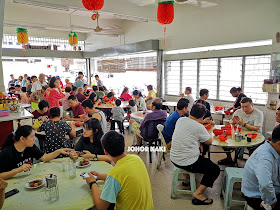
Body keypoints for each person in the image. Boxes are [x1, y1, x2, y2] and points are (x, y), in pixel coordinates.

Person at [82, 131, 153, 210]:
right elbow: (122, 178)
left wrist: (92, 183)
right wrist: (100, 176)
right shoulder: (136, 158)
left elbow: (101, 206)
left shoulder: (115, 175)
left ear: (105, 152)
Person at [170, 104, 220, 205]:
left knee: (199, 152)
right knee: (214, 169)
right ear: (202, 116)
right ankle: (198, 193)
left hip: (174, 157)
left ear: (190, 112)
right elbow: (209, 141)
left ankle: (187, 180)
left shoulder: (181, 120)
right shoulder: (199, 127)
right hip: (186, 162)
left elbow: (190, 129)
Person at [0, 125, 73, 179]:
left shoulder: (30, 147)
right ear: (22, 139)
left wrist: (59, 151)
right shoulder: (6, 152)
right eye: (31, 137)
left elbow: (45, 157)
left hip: (26, 179)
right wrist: (18, 170)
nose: (34, 139)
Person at [241, 126, 280, 210]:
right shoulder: (264, 157)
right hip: (257, 195)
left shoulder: (274, 149)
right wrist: (272, 202)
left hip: (271, 189)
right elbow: (265, 185)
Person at [218, 97, 264, 166]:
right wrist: (232, 123)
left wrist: (243, 124)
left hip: (254, 136)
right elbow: (233, 124)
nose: (244, 109)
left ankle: (252, 165)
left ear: (252, 105)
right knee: (224, 141)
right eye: (242, 107)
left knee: (253, 150)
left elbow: (256, 128)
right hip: (239, 133)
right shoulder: (238, 112)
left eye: (246, 107)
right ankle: (229, 159)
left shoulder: (258, 113)